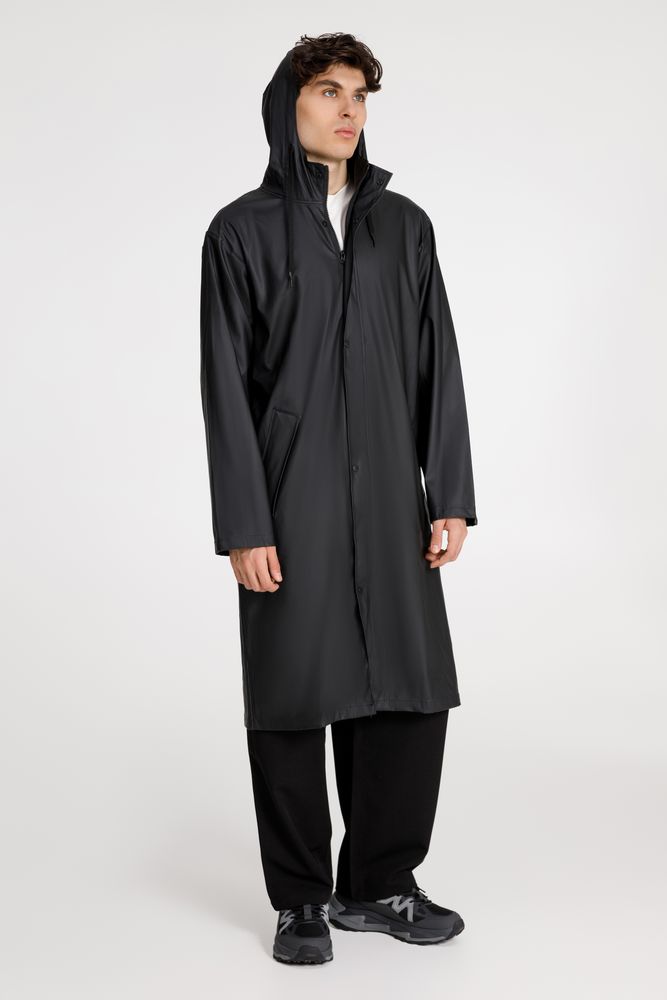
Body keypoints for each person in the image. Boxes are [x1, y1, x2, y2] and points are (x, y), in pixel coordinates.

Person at [199, 32, 478, 965]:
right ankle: (299, 901)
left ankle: (381, 883)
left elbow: (437, 359)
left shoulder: (405, 227)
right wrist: (245, 523)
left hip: (393, 494)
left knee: (407, 688)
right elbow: (225, 386)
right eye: (328, 90)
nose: (349, 108)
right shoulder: (240, 231)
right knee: (291, 690)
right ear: (287, 106)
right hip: (293, 495)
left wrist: (449, 493)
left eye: (360, 93)